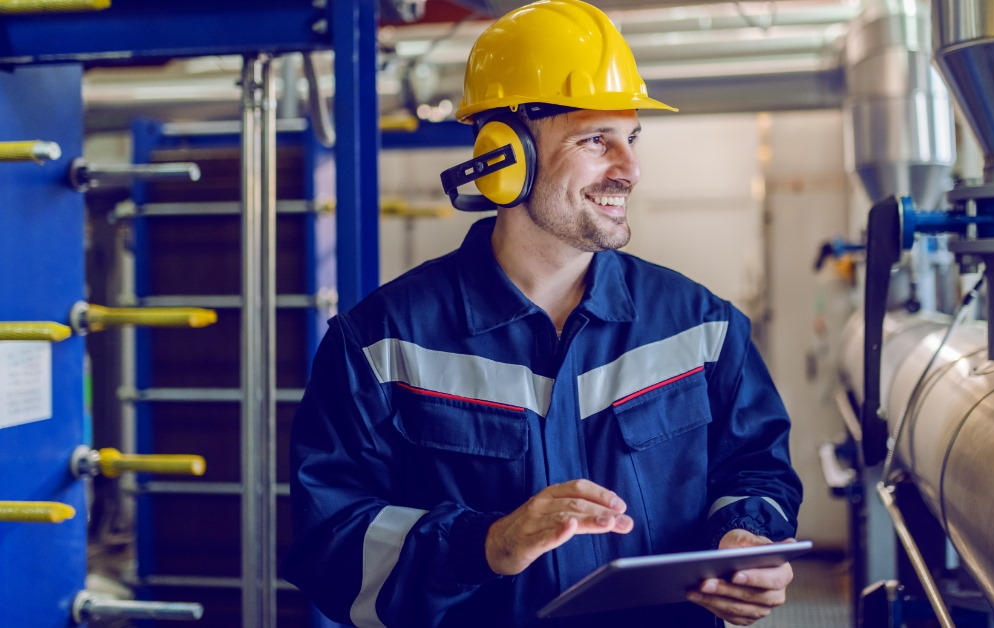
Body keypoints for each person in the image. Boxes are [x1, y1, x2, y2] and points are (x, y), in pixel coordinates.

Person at [282, 1, 803, 626]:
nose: (630, 169)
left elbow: (755, 468)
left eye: (631, 137)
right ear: (506, 158)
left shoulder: (702, 327)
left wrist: (744, 540)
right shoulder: (380, 344)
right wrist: (488, 544)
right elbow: (332, 544)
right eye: (595, 140)